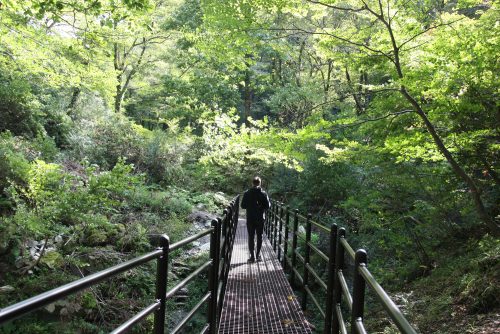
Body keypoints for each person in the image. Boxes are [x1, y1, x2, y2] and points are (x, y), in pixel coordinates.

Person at [241, 176, 271, 263]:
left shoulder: (247, 193)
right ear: (260, 183)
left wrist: (250, 205)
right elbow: (268, 206)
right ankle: (258, 255)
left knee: (251, 237)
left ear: (252, 183)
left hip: (250, 218)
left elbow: (243, 206)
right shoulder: (263, 193)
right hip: (260, 218)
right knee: (259, 236)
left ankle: (252, 257)